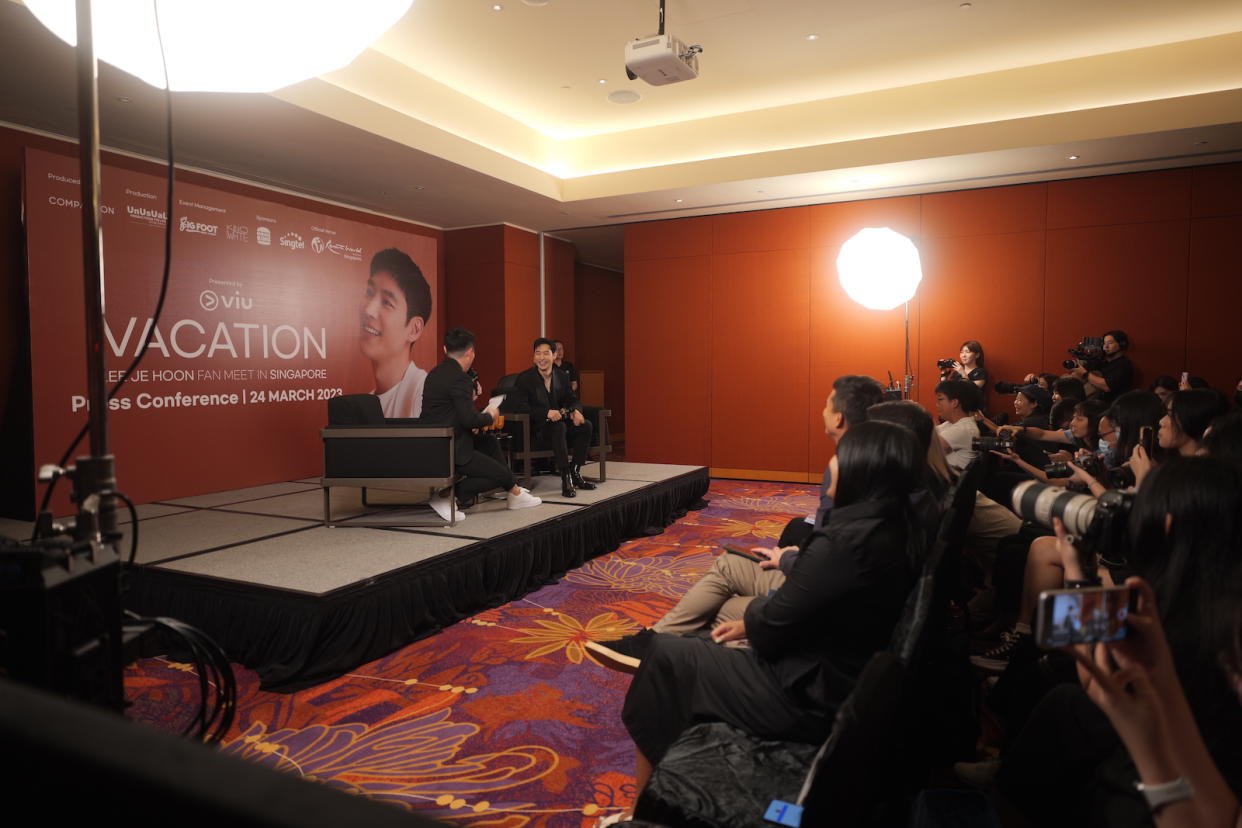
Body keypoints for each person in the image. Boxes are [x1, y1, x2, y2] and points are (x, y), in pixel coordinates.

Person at [616, 421, 925, 813]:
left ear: (862, 468)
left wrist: (756, 618)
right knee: (698, 641)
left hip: (807, 693)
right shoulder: (892, 528)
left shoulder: (845, 543)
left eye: (841, 454)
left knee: (665, 656)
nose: (831, 461)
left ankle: (642, 811)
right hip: (840, 677)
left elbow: (772, 627)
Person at [584, 375, 886, 669]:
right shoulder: (874, 466)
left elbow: (831, 563)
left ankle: (665, 650)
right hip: (822, 585)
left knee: (724, 601)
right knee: (728, 580)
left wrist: (789, 561)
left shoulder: (847, 471)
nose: (822, 410)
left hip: (815, 597)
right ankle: (661, 646)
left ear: (839, 418)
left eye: (826, 404)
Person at [420, 328, 541, 520]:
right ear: (470, 352)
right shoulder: (460, 378)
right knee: (500, 474)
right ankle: (446, 495)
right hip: (451, 446)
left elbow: (453, 412)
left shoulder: (435, 373)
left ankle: (514, 493)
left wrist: (471, 398)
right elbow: (470, 420)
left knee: (490, 443)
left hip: (439, 439)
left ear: (445, 349)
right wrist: (491, 414)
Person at [513, 338, 596, 497]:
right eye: (538, 353)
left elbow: (572, 399)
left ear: (554, 355)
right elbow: (520, 407)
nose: (541, 358)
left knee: (586, 426)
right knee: (559, 426)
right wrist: (546, 412)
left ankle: (575, 472)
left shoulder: (562, 376)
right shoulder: (524, 379)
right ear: (533, 357)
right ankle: (566, 478)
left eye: (546, 353)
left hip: (559, 428)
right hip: (537, 430)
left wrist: (576, 410)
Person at [359, 248, 433, 418]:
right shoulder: (368, 403)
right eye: (369, 292)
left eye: (387, 302)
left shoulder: (423, 394)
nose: (369, 310)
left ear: (414, 329)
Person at [1069, 329, 1134, 403]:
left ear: (1122, 344)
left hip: (1107, 405)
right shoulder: (1100, 361)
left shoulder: (1123, 365)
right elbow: (1076, 376)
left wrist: (1084, 373)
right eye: (1104, 343)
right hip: (1090, 401)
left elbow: (1106, 386)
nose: (1105, 346)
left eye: (1110, 343)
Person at [934, 378, 983, 472]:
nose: (937, 404)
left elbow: (928, 447)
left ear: (954, 403)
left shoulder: (964, 428)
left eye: (940, 399)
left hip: (947, 483)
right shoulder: (951, 423)